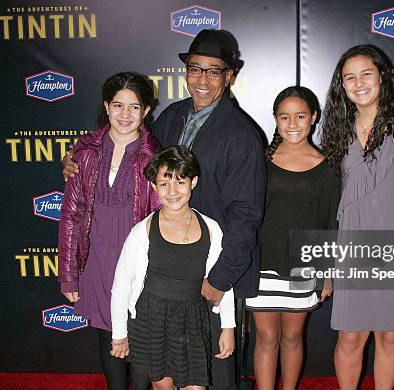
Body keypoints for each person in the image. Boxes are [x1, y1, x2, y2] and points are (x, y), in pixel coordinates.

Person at [64, 29, 266, 389]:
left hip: (211, 275)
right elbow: (124, 144)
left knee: (214, 375)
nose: (202, 79)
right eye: (195, 68)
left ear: (229, 75)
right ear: (186, 72)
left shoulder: (242, 135)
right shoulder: (171, 117)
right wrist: (76, 157)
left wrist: (218, 282)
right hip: (165, 276)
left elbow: (246, 218)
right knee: (168, 372)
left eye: (214, 70)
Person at [321, 44, 394, 390]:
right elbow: (330, 200)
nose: (358, 84)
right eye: (349, 78)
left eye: (366, 74)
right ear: (341, 85)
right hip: (351, 250)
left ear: (383, 76)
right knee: (350, 336)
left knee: (391, 337)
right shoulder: (337, 130)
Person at [58, 72, 160, 390]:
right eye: (118, 105)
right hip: (98, 261)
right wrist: (69, 273)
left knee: (141, 340)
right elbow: (72, 215)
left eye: (133, 107)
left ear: (145, 111)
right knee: (109, 338)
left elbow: (162, 219)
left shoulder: (155, 157)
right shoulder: (84, 153)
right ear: (106, 105)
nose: (125, 114)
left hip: (140, 264)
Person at [110, 146, 235, 390]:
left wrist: (228, 327)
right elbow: (122, 285)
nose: (173, 191)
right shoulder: (142, 231)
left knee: (196, 386)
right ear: (154, 187)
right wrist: (119, 333)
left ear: (193, 182)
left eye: (180, 181)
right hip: (152, 317)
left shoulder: (211, 228)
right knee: (163, 386)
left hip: (193, 318)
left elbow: (223, 281)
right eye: (164, 184)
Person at [244, 86, 341, 390]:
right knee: (267, 337)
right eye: (284, 117)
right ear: (275, 119)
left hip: (304, 268)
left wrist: (327, 273)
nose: (293, 123)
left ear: (314, 117)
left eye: (300, 116)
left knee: (292, 337)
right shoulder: (260, 160)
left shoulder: (327, 167)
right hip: (261, 265)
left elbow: (330, 224)